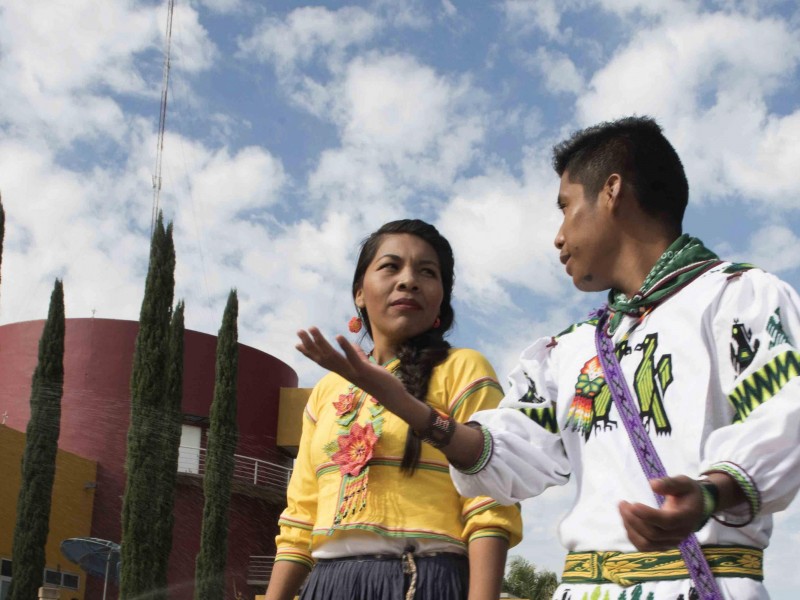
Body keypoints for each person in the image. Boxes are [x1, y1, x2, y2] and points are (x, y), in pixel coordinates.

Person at [297, 117, 800, 599]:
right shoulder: (573, 350)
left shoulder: (737, 299)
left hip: (698, 581)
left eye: (564, 207)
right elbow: (508, 459)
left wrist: (710, 493)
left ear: (612, 191)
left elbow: (786, 415)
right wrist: (410, 409)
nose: (558, 236)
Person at [266, 219, 522, 600]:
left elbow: (490, 503)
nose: (408, 280)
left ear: (440, 299)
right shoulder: (326, 392)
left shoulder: (463, 369)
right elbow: (300, 517)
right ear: (359, 293)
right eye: (391, 266)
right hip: (325, 586)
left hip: (425, 581)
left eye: (427, 272)